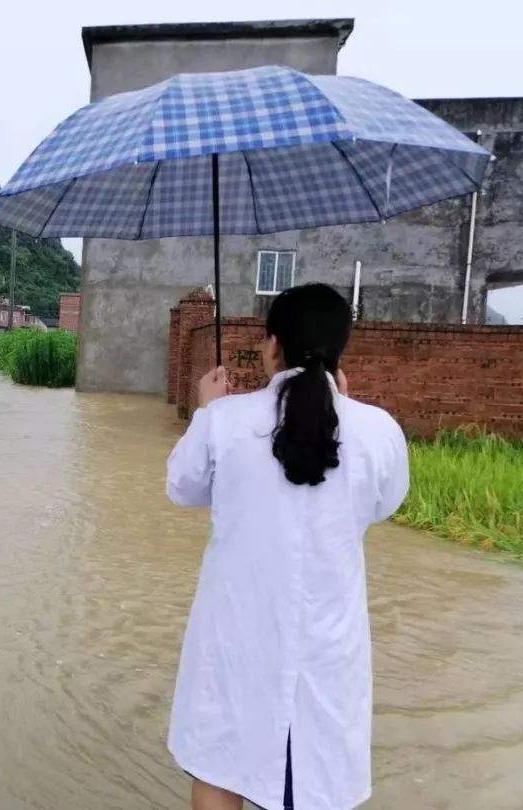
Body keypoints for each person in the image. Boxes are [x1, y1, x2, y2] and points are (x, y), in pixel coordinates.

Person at [165, 284, 409, 810]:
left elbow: (182, 489)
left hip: (236, 637)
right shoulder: (379, 430)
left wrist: (207, 410)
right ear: (344, 347)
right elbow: (383, 506)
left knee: (220, 764)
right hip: (328, 643)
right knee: (316, 780)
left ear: (271, 346)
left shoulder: (226, 420)